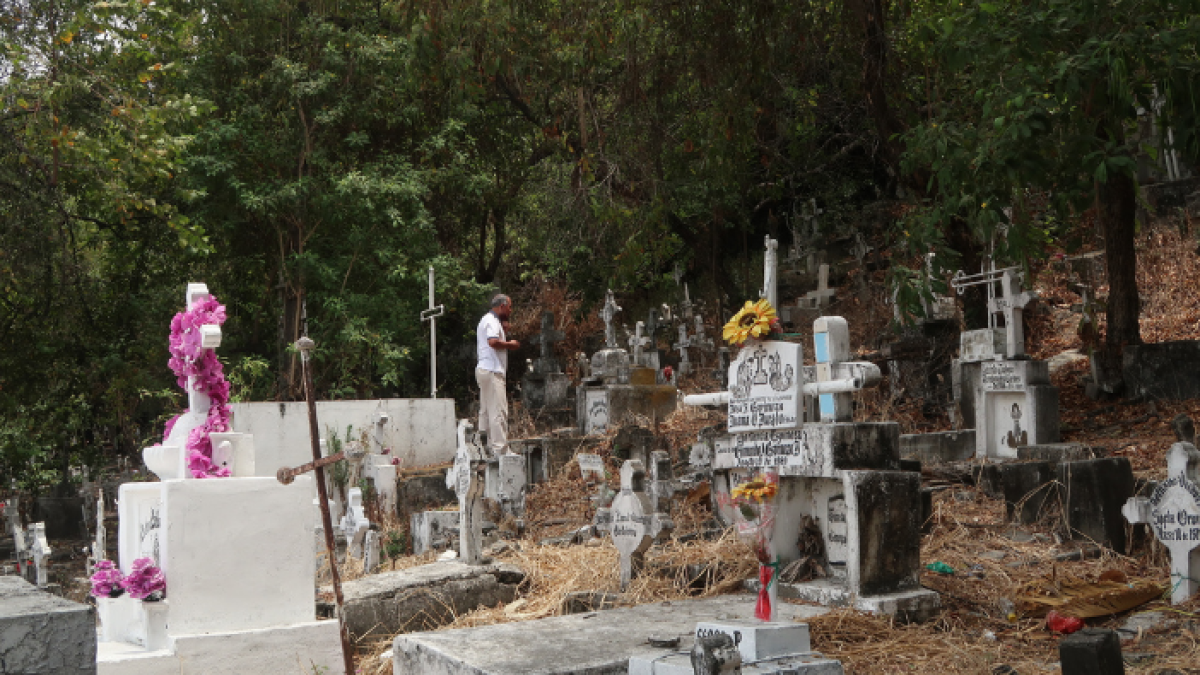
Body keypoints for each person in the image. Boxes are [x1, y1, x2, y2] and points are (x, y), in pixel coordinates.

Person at [476, 294, 519, 456]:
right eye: (509, 307)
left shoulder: (487, 320)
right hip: (492, 370)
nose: (510, 310)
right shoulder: (492, 321)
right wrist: (510, 344)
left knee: (486, 410)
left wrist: (504, 331)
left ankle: (484, 447)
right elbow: (493, 342)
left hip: (484, 369)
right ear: (502, 306)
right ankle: (500, 450)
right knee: (498, 411)